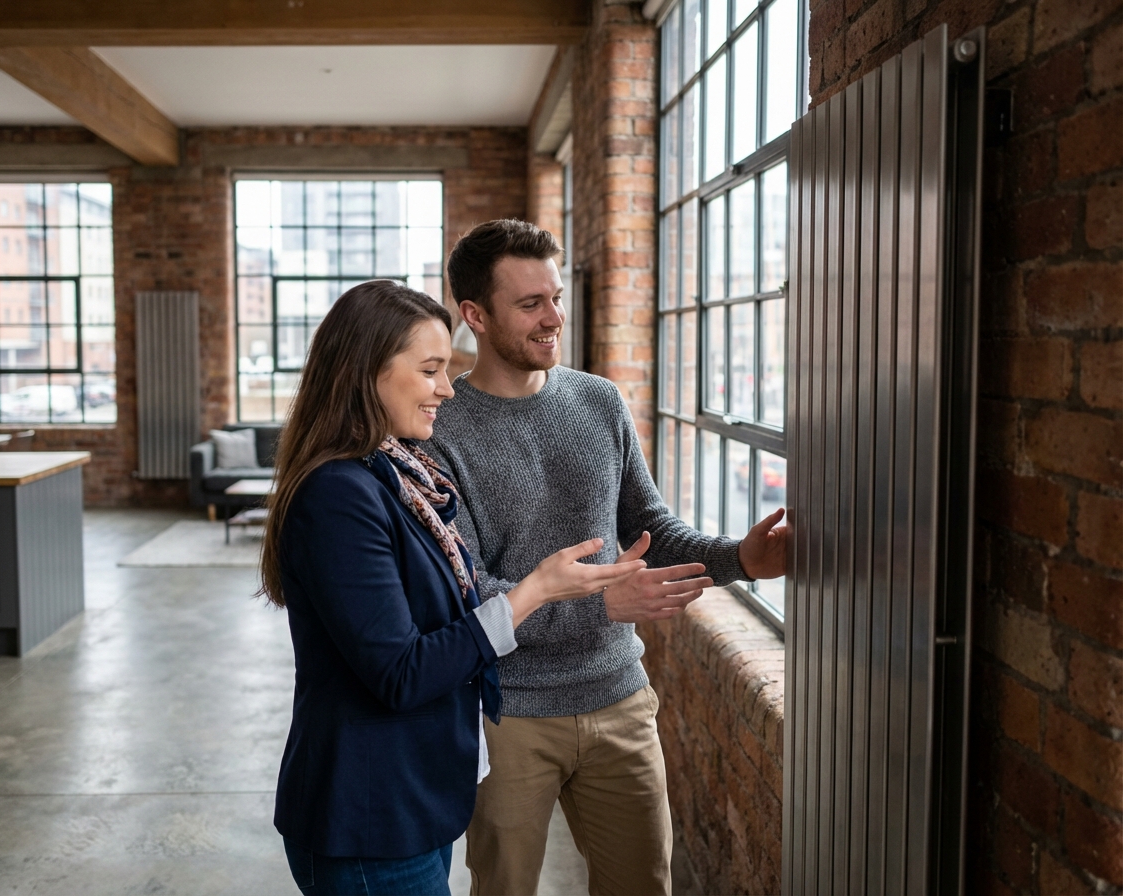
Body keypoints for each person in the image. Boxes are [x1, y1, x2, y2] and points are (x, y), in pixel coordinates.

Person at [427, 220, 788, 896]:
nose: (553, 317)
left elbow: (650, 526)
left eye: (556, 297)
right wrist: (599, 602)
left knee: (643, 884)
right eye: (530, 303)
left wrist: (743, 558)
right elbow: (465, 592)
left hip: (619, 697)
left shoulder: (599, 400)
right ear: (474, 316)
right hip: (508, 715)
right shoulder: (442, 430)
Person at [259, 280, 647, 896]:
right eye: (431, 370)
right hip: (369, 816)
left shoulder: (397, 471)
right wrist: (534, 592)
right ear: (368, 374)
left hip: (413, 800)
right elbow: (402, 672)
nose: (446, 388)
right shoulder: (337, 494)